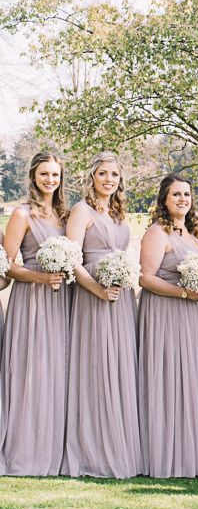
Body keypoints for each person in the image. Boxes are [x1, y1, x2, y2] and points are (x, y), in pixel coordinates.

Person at [63, 151, 143, 478]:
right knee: (96, 365)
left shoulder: (119, 214)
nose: (108, 180)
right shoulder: (81, 211)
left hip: (121, 298)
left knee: (120, 365)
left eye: (114, 175)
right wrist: (98, 289)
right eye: (103, 174)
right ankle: (92, 449)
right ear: (92, 177)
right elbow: (72, 258)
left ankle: (119, 440)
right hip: (92, 296)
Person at [138, 174, 198, 477]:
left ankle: (192, 454)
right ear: (164, 200)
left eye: (187, 194)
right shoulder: (158, 232)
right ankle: (167, 455)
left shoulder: (194, 236)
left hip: (195, 316)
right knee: (171, 379)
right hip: (166, 314)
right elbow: (145, 277)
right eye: (176, 195)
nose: (183, 199)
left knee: (193, 381)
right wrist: (183, 292)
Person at [0, 152, 70, 475]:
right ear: (33, 176)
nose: (50, 181)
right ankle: (24, 451)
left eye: (55, 175)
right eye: (44, 174)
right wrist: (41, 277)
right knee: (30, 371)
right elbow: (8, 266)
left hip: (59, 303)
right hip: (30, 302)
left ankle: (52, 450)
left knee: (55, 371)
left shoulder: (64, 216)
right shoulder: (22, 214)